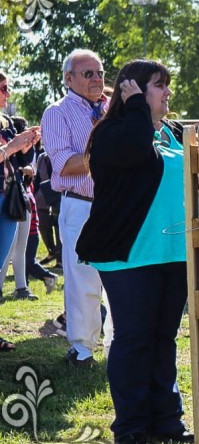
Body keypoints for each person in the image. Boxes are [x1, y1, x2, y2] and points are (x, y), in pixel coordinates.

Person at [76, 60, 192, 444]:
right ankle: (131, 426)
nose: (168, 92)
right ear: (135, 91)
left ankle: (167, 422)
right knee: (134, 339)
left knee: (164, 338)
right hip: (129, 256)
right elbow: (135, 153)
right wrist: (139, 107)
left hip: (172, 255)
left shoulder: (170, 134)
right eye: (160, 86)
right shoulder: (112, 133)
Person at [41, 49, 114, 368]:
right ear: (68, 79)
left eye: (100, 73)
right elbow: (64, 165)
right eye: (89, 74)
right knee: (83, 277)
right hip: (80, 206)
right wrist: (109, 154)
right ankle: (82, 349)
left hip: (118, 207)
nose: (97, 79)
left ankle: (117, 346)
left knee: (120, 278)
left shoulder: (113, 109)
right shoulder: (56, 113)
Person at [0, 71, 42, 351]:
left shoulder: (4, 121)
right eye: (3, 88)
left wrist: (24, 147)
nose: (8, 93)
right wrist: (11, 147)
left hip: (6, 196)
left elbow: (17, 156)